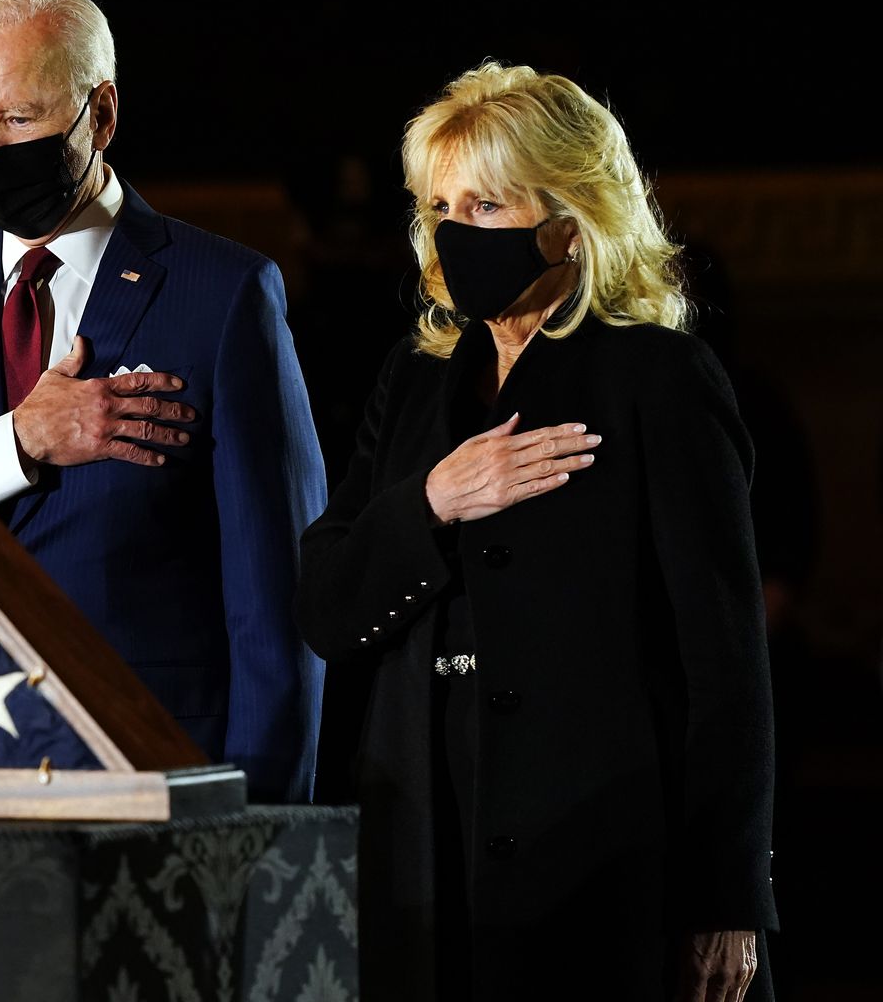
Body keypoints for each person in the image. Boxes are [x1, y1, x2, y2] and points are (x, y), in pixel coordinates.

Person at [296, 62, 776, 1000]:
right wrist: (432, 500)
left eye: (487, 205)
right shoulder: (415, 379)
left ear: (570, 218)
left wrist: (729, 894)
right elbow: (325, 605)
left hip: (606, 867)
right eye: (441, 205)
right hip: (426, 864)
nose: (454, 231)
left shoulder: (660, 379)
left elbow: (725, 665)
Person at [0, 0, 328, 802]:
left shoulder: (223, 292)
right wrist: (17, 443)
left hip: (157, 762)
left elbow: (278, 598)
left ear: (99, 113)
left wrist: (262, 823)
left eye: (22, 118)